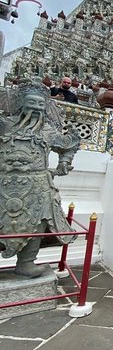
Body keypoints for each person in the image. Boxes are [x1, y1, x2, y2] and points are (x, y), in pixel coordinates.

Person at [0, 77, 80, 277]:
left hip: (38, 186)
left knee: (38, 223)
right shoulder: (5, 125)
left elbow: (68, 144)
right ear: (21, 103)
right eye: (31, 102)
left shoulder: (47, 131)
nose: (36, 108)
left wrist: (63, 163)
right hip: (4, 181)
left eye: (40, 104)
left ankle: (26, 263)